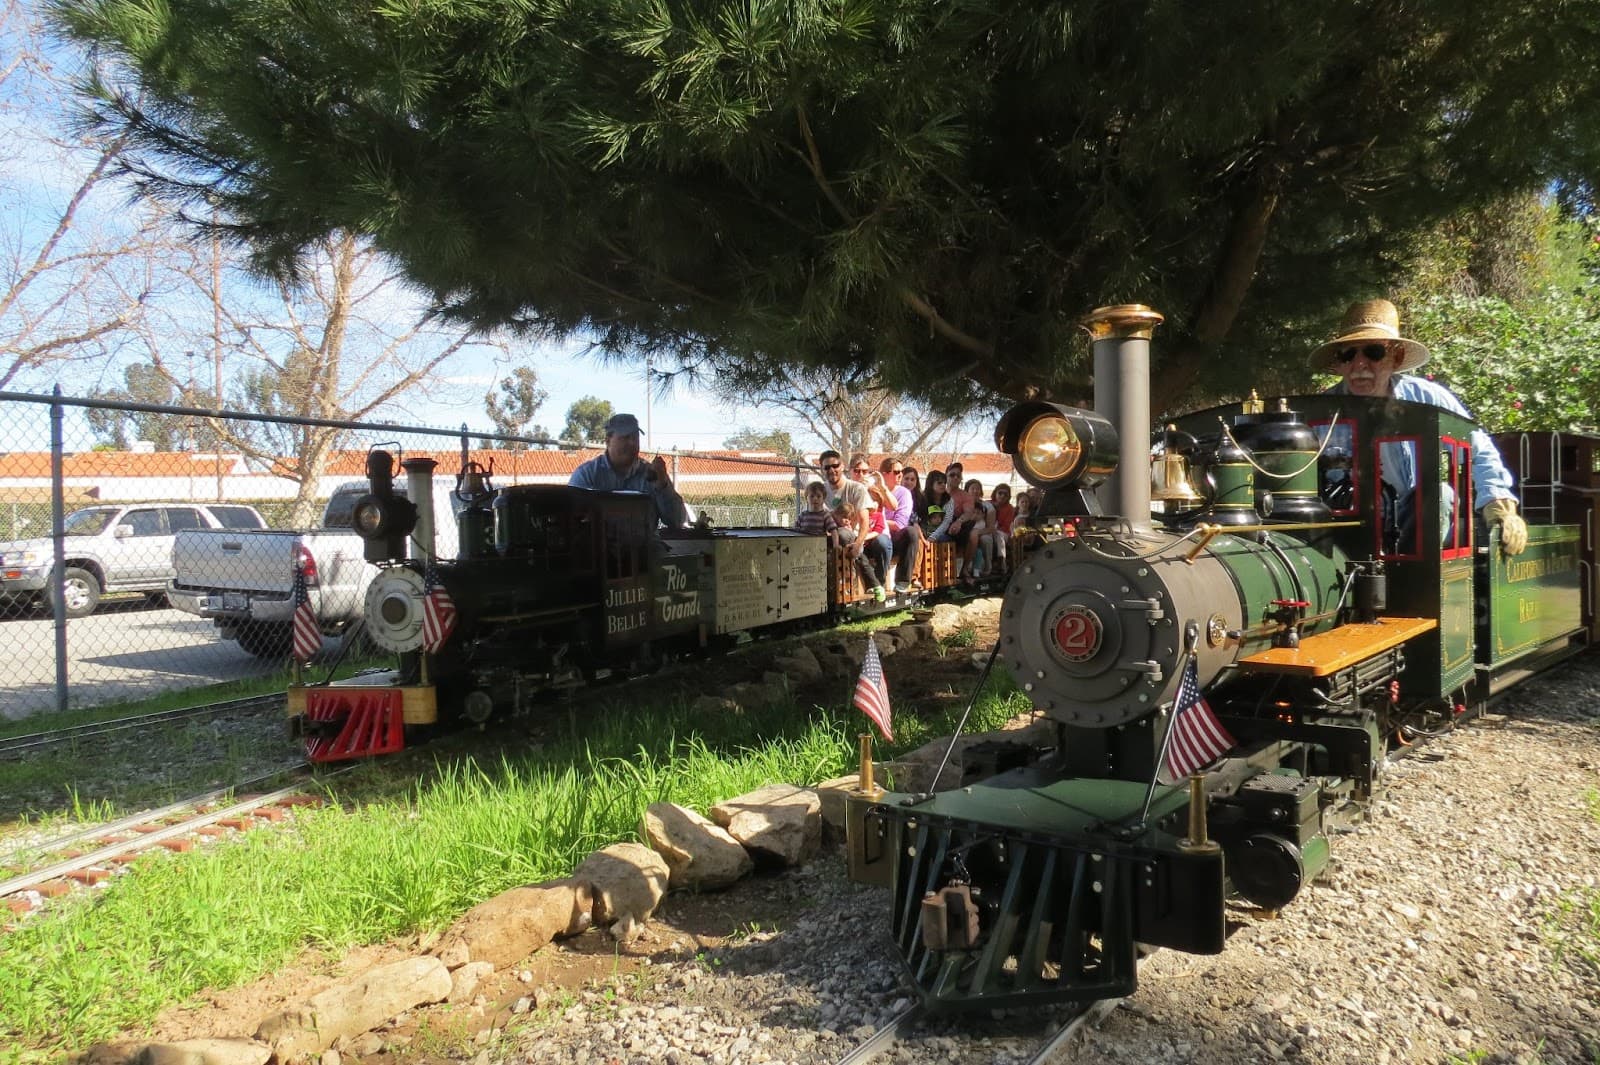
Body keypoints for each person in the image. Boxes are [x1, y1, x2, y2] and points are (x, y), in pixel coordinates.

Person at [1311, 299, 1527, 555]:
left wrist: (1500, 508)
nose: (1360, 365)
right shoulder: (1320, 411)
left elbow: (1478, 450)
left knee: (1440, 493)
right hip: (1344, 527)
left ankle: (1412, 583)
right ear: (1339, 363)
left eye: (1374, 352)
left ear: (1396, 356)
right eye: (1348, 354)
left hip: (1410, 524)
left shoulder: (1428, 398)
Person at [567, 413, 690, 528]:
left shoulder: (654, 474)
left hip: (645, 547)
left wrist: (662, 485)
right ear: (608, 441)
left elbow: (677, 520)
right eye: (625, 437)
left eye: (635, 437)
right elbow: (571, 521)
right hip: (598, 547)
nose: (632, 443)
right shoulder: (586, 475)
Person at [818, 450, 887, 602]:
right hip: (828, 536)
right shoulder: (820, 490)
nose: (831, 470)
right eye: (827, 468)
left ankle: (850, 584)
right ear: (822, 470)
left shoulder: (856, 488)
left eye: (835, 465)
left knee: (842, 534)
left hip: (851, 537)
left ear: (842, 466)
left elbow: (864, 522)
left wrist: (857, 544)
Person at [878, 456, 924, 592]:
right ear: (884, 474)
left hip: (893, 537)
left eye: (901, 472)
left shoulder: (904, 493)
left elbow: (899, 524)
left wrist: (878, 522)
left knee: (911, 532)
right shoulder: (872, 490)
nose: (900, 475)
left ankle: (903, 581)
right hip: (874, 536)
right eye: (896, 472)